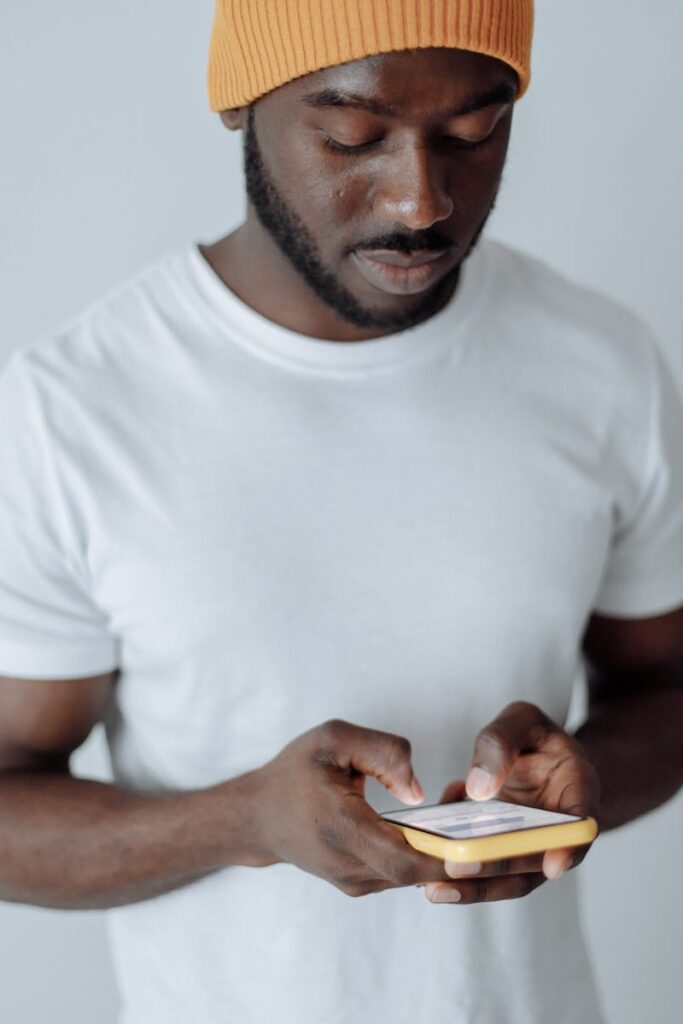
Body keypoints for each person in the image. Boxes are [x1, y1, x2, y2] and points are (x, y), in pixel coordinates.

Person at [0, 2, 681, 1022]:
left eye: (472, 132)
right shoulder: (74, 409)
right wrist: (244, 822)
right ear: (243, 109)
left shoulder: (600, 364)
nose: (419, 201)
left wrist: (578, 789)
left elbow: (664, 690)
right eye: (350, 134)